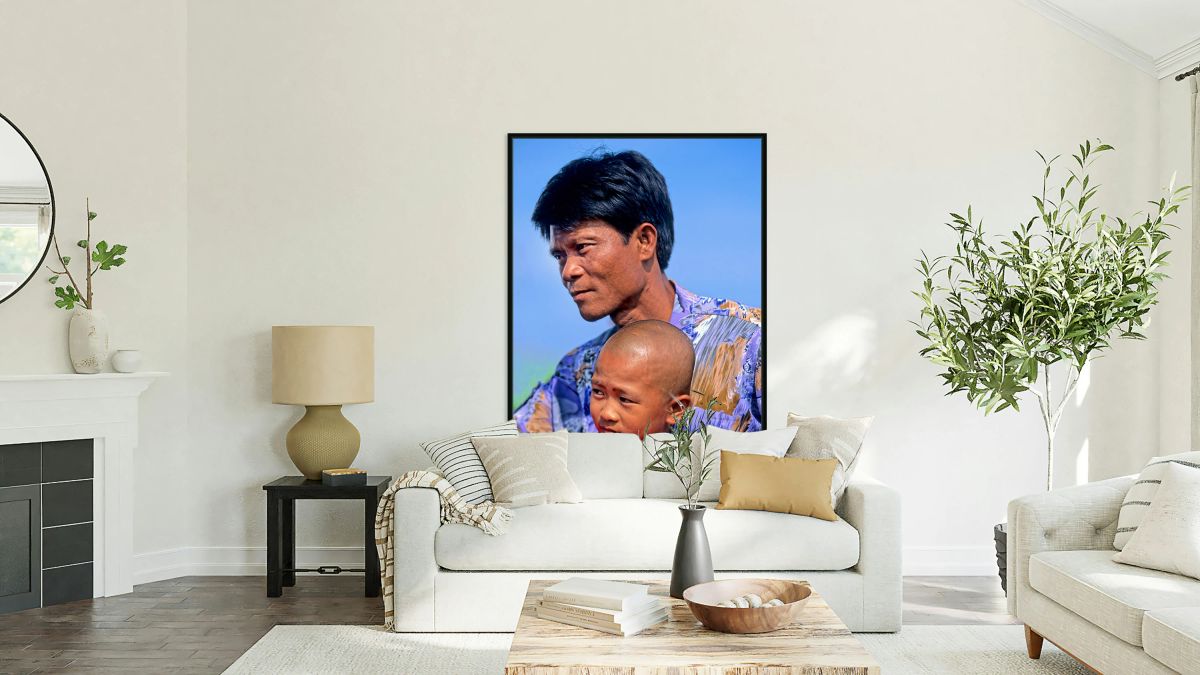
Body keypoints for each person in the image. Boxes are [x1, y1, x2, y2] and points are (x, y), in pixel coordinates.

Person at [513, 149, 763, 433]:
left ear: (644, 241)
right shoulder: (574, 374)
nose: (568, 271)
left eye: (582, 248)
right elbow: (502, 443)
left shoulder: (751, 342)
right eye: (560, 256)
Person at [590, 320, 694, 437]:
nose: (606, 414)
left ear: (675, 409)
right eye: (598, 392)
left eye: (624, 399)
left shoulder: (702, 453)